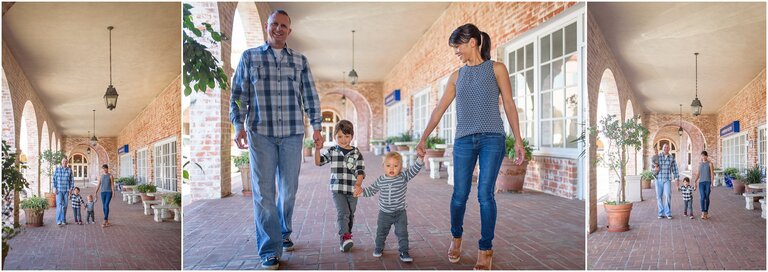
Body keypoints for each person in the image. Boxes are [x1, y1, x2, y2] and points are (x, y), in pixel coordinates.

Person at [414, 23, 525, 270]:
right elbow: (439, 109)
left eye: (458, 47)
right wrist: (423, 139)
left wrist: (518, 140)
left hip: (492, 139)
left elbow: (508, 104)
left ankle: (485, 249)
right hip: (464, 140)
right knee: (459, 195)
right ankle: (456, 238)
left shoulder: (497, 69)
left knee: (485, 195)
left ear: (472, 42)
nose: (457, 53)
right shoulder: (457, 76)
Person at [229, 9, 323, 270]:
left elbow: (311, 97)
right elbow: (239, 94)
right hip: (261, 134)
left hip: (293, 134)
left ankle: (283, 231)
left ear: (289, 31)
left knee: (289, 190)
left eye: (283, 26)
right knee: (263, 193)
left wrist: (316, 127)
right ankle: (269, 249)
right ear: (267, 27)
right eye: (274, 24)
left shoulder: (300, 61)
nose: (278, 29)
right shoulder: (250, 57)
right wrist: (238, 125)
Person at [356, 152, 424, 263]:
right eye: (388, 166)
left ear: (400, 167)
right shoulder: (381, 180)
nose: (392, 168)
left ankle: (404, 252)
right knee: (381, 232)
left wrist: (420, 159)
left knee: (402, 233)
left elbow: (414, 170)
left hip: (400, 213)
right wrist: (361, 192)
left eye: (395, 166)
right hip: (384, 213)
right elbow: (371, 190)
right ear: (383, 167)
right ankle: (379, 247)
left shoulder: (403, 177)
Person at [314, 120, 365, 252]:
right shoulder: (332, 151)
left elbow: (360, 171)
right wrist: (317, 150)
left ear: (352, 136)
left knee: (351, 214)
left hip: (352, 189)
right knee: (343, 213)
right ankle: (344, 238)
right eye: (340, 136)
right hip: (337, 189)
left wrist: (358, 185)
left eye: (346, 136)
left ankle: (347, 235)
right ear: (334, 137)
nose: (343, 140)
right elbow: (319, 162)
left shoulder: (356, 153)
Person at [656, 144, 679, 219]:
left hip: (667, 179)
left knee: (668, 195)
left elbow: (675, 169)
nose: (666, 148)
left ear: (669, 149)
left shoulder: (672, 158)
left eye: (667, 147)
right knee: (659, 197)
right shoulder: (658, 157)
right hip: (658, 179)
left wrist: (677, 179)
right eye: (664, 147)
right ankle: (660, 213)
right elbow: (652, 167)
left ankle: (668, 213)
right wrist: (654, 171)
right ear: (662, 149)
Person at [52, 158, 74, 225]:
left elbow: (72, 180)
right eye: (63, 161)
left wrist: (71, 189)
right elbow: (54, 179)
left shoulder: (69, 170)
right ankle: (58, 220)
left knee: (65, 206)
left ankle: (63, 219)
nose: (64, 162)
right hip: (59, 190)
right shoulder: (57, 169)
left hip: (66, 191)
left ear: (67, 163)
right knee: (59, 205)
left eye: (66, 161)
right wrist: (54, 188)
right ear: (61, 162)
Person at [694, 150, 715, 219]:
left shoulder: (710, 164)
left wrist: (712, 183)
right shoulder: (700, 164)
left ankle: (706, 212)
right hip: (701, 183)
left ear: (706, 156)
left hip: (708, 182)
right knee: (702, 197)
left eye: (704, 156)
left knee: (707, 197)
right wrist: (695, 181)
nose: (703, 157)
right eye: (702, 156)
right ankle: (703, 212)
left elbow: (712, 174)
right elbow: (698, 173)